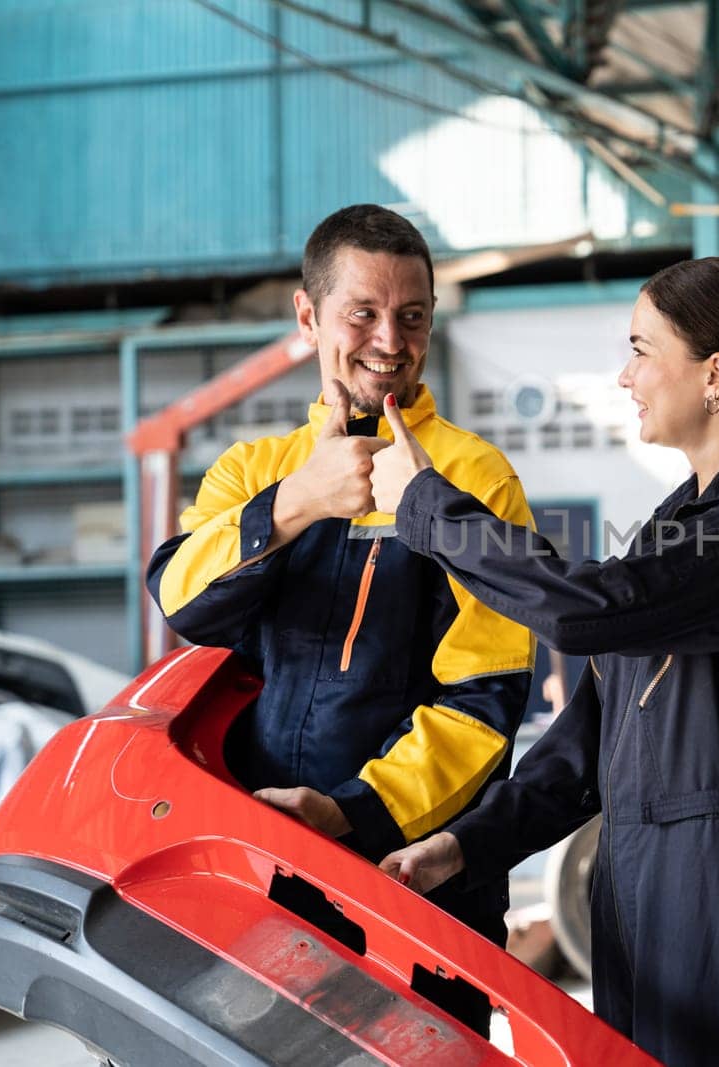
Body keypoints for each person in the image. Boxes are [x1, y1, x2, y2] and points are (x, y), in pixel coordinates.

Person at [370, 257, 719, 1067]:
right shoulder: (677, 524)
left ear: (715, 373)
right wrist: (467, 844)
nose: (624, 375)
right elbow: (584, 750)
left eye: (640, 348)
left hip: (715, 868)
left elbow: (586, 607)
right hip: (629, 869)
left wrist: (429, 506)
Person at [144, 204, 534, 1037]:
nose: (390, 339)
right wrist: (295, 505)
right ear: (308, 315)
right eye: (363, 312)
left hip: (418, 881)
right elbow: (183, 601)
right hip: (262, 866)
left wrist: (349, 808)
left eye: (413, 315)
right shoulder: (253, 470)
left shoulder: (473, 476)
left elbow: (486, 699)